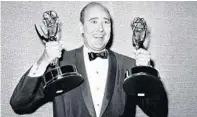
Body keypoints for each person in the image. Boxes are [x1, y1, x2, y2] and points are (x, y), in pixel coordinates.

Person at [10, 2, 168, 117]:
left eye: (106, 22)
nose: (100, 28)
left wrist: (147, 72)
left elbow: (159, 111)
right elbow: (19, 103)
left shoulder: (128, 65)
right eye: (93, 21)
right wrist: (43, 61)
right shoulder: (60, 63)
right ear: (81, 28)